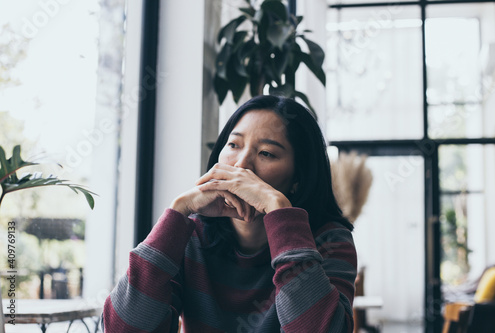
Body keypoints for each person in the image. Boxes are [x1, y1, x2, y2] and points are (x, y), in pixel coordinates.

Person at [102, 95, 357, 333]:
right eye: (234, 144)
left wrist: (279, 210)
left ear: (298, 179)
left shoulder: (330, 240)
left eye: (266, 153)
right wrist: (178, 211)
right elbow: (123, 328)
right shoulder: (190, 235)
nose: (241, 164)